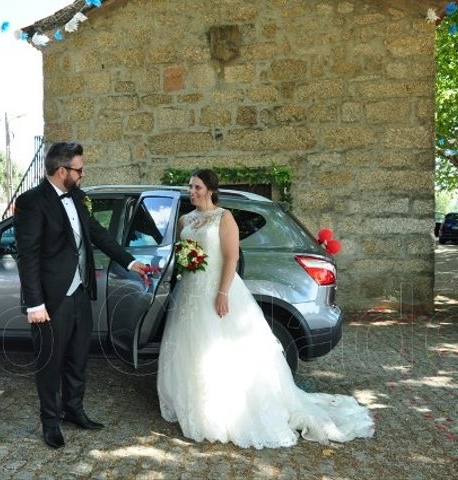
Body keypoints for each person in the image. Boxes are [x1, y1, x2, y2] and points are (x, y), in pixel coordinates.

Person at [157, 169, 375, 449]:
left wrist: (222, 293)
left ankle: (226, 409)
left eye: (197, 187)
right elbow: (181, 252)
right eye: (190, 187)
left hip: (216, 289)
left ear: (210, 189)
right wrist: (185, 261)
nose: (192, 191)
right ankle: (195, 404)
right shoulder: (186, 219)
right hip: (189, 290)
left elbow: (231, 256)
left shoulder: (224, 218)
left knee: (220, 346)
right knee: (191, 347)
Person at [14, 141, 148, 449]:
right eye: (79, 169)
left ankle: (73, 410)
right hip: (50, 299)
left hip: (80, 292)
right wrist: (34, 303)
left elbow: (98, 235)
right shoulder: (32, 202)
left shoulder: (78, 197)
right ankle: (50, 422)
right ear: (62, 171)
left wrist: (130, 261)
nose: (83, 173)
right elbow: (28, 256)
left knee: (77, 358)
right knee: (49, 362)